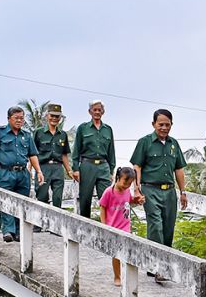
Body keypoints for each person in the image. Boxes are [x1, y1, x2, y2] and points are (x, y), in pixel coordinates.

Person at [130, 108, 187, 283]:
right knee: (156, 226)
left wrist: (183, 191)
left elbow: (179, 169)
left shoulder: (173, 144)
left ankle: (160, 266)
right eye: (160, 124)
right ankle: (158, 268)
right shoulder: (145, 142)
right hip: (150, 189)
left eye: (167, 125)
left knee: (169, 228)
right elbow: (137, 167)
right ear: (153, 124)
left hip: (169, 191)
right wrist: (137, 188)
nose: (164, 128)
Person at [0, 107, 45, 242]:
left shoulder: (26, 135)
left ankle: (18, 231)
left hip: (23, 173)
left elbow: (32, 155)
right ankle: (8, 230)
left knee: (22, 202)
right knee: (5, 200)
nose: (19, 121)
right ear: (9, 119)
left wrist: (39, 171)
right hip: (6, 172)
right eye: (16, 118)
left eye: (21, 118)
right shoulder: (0, 133)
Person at [98, 167, 143, 286]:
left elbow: (128, 202)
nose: (126, 186)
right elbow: (102, 208)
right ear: (118, 178)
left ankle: (126, 274)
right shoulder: (109, 192)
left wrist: (136, 200)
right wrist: (103, 225)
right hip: (113, 227)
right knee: (116, 254)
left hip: (126, 227)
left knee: (127, 252)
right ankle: (117, 276)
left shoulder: (127, 191)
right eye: (125, 182)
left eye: (129, 184)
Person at [71, 100, 116, 218]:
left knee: (106, 198)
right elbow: (76, 150)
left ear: (103, 112)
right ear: (90, 111)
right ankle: (84, 228)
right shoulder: (83, 128)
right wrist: (75, 169)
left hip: (103, 166)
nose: (97, 112)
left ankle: (107, 228)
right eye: (94, 110)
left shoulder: (108, 129)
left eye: (99, 110)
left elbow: (111, 151)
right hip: (87, 165)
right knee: (85, 199)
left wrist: (111, 171)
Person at [34, 103, 73, 212]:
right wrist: (32, 168)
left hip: (58, 168)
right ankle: (39, 225)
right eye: (52, 116)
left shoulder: (63, 134)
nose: (54, 119)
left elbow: (64, 154)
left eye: (57, 116)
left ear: (60, 118)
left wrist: (69, 171)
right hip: (43, 168)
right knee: (41, 197)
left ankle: (55, 229)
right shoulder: (38, 133)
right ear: (47, 116)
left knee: (57, 198)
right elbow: (32, 153)